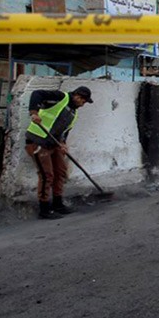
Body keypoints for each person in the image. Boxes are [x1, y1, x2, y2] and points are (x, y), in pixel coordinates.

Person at [25, 86, 94, 219]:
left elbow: (65, 132)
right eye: (83, 101)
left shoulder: (74, 113)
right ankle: (44, 209)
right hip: (37, 141)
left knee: (61, 171)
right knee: (47, 175)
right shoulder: (60, 97)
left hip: (53, 144)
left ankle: (58, 204)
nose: (83, 105)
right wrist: (34, 112)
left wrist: (63, 144)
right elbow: (37, 93)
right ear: (78, 96)